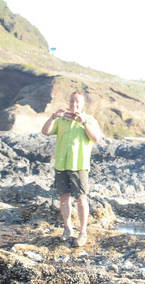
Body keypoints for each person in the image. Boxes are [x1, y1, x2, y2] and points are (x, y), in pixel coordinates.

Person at [41, 91, 103, 247]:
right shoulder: (62, 119)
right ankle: (68, 228)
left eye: (77, 102)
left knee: (81, 199)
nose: (74, 105)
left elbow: (95, 138)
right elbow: (45, 131)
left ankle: (83, 232)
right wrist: (53, 116)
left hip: (79, 166)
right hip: (62, 164)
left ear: (82, 104)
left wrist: (84, 123)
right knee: (64, 198)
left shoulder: (90, 120)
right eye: (72, 101)